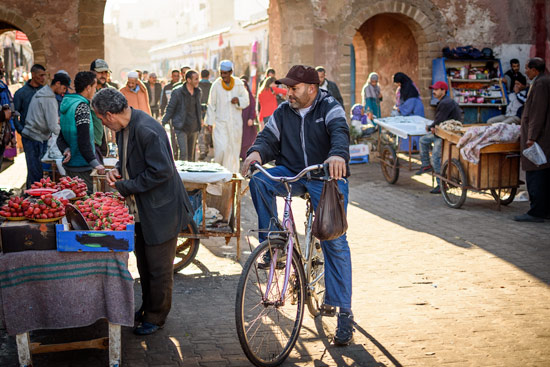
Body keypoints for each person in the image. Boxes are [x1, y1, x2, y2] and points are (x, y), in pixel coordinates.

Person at [241, 65, 354, 346]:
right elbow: (267, 138)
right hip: (292, 172)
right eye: (287, 88)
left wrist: (337, 155)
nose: (287, 92)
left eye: (293, 88)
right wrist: (255, 152)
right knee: (259, 180)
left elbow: (340, 132)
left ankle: (344, 312)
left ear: (311, 89)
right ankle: (273, 241)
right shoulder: (283, 112)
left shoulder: (329, 106)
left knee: (334, 242)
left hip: (326, 178)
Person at [92, 88, 194, 335]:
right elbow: (129, 160)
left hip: (161, 209)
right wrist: (118, 169)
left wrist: (125, 185)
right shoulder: (124, 129)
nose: (102, 124)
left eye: (101, 118)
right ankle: (148, 308)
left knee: (159, 269)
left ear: (109, 115)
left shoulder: (147, 129)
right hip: (142, 209)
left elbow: (161, 171)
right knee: (145, 263)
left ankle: (156, 317)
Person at [514, 58, 550, 223]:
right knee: (543, 173)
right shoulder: (542, 81)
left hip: (539, 139)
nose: (525, 71)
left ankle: (536, 211)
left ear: (535, 69)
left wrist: (531, 137)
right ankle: (543, 210)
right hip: (542, 138)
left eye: (527, 68)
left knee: (536, 174)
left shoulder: (541, 84)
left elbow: (537, 112)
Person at [57, 71, 106, 192]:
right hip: (82, 167)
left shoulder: (68, 103)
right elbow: (83, 139)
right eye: (94, 87)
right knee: (84, 204)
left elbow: (60, 137)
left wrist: (66, 149)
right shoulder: (82, 107)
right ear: (88, 88)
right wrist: (95, 163)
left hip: (70, 166)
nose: (95, 90)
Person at [21, 73, 70, 188]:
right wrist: (67, 139)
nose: (64, 91)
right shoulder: (48, 98)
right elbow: (53, 126)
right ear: (57, 83)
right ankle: (33, 202)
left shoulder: (43, 93)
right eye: (64, 88)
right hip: (34, 137)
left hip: (33, 136)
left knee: (34, 172)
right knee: (36, 174)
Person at [415, 81, 462, 194]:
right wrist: (432, 126)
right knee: (423, 140)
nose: (434, 92)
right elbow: (439, 120)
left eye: (436, 90)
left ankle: (441, 184)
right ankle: (426, 165)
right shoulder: (444, 101)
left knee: (436, 158)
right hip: (440, 132)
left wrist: (431, 126)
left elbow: (439, 120)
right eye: (434, 90)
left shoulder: (446, 103)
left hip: (445, 135)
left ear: (443, 90)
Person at [205, 60, 249, 172]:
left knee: (233, 151)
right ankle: (219, 174)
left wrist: (238, 100)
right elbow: (211, 105)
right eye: (221, 73)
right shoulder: (216, 85)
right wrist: (209, 122)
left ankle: (231, 176)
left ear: (231, 72)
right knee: (221, 150)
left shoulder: (239, 84)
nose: (223, 76)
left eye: (225, 73)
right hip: (220, 124)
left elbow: (246, 100)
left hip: (235, 124)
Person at [162, 69, 202, 161]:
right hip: (181, 126)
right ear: (188, 80)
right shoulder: (177, 92)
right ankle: (182, 175)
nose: (197, 81)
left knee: (191, 156)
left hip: (194, 127)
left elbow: (198, 108)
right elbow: (170, 108)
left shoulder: (198, 92)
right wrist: (163, 122)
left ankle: (191, 175)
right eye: (195, 79)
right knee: (183, 154)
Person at [13, 64, 47, 134]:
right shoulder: (21, 93)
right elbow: (14, 114)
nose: (43, 78)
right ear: (33, 75)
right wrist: (21, 130)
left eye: (44, 75)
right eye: (41, 75)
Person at [90, 58, 113, 157]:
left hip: (108, 138)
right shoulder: (88, 92)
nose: (103, 75)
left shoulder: (111, 91)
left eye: (105, 72)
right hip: (93, 140)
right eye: (100, 72)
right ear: (92, 72)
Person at [0, 58, 16, 164]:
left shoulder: (3, 87)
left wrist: (11, 134)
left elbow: (9, 112)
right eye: (0, 67)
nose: (3, 70)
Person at [240, 76, 257, 160]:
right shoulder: (237, 96)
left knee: (247, 138)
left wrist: (251, 118)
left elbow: (252, 108)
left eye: (244, 86)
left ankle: (244, 155)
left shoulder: (250, 97)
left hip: (247, 120)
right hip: (238, 121)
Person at [198, 69, 212, 160]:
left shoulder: (197, 85)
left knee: (200, 131)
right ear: (208, 76)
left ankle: (202, 150)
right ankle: (207, 148)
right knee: (209, 130)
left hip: (199, 110)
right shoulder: (212, 85)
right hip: (210, 110)